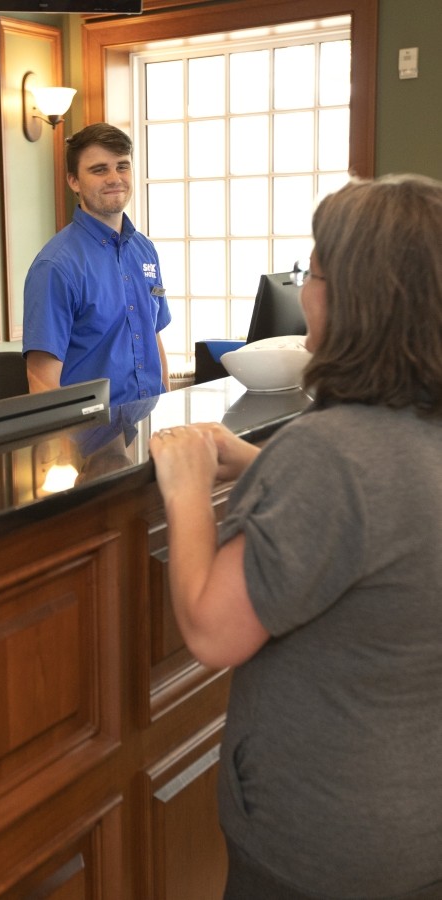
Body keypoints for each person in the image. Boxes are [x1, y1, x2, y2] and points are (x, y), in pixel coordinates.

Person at [149, 173, 442, 899]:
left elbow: (213, 630)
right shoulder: (407, 433)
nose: (304, 289)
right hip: (414, 821)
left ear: (356, 297)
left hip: (320, 840)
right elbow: (387, 518)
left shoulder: (330, 453)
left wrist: (186, 488)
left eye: (311, 272)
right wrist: (260, 463)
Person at [22, 122, 171, 405]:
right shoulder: (55, 266)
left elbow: (154, 337)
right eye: (99, 170)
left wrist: (167, 412)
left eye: (122, 166)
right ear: (74, 182)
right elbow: (41, 381)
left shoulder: (145, 250)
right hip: (91, 429)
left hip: (150, 421)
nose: (115, 178)